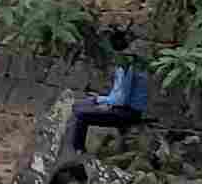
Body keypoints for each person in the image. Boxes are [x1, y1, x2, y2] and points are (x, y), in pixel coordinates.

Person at [62, 33, 153, 163]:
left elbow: (121, 100)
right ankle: (70, 148)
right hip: (123, 107)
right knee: (78, 105)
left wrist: (101, 101)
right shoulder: (130, 61)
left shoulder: (126, 65)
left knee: (81, 115)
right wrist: (101, 100)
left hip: (128, 112)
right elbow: (118, 94)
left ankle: (77, 152)